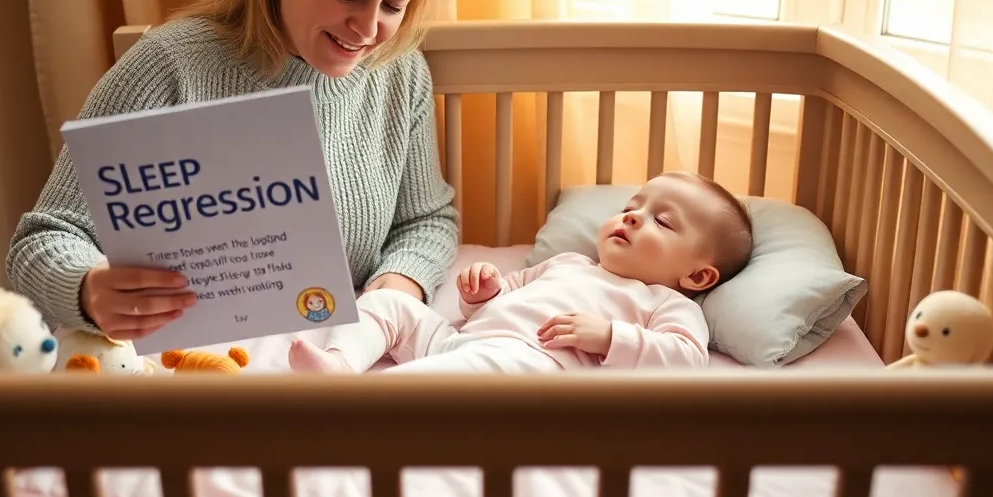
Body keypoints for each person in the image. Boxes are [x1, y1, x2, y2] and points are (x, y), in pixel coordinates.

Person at [6, 0, 459, 341]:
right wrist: (89, 289)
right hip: (198, 368)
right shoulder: (169, 66)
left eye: (394, 5)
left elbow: (426, 219)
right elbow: (42, 240)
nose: (369, 30)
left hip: (342, 354)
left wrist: (396, 289)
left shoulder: (399, 71)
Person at [287, 171, 755, 374]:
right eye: (631, 207)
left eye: (662, 220)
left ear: (698, 277)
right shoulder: (567, 264)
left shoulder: (666, 303)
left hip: (527, 364)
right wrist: (483, 293)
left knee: (458, 374)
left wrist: (609, 337)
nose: (632, 217)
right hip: (461, 342)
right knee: (391, 303)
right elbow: (497, 300)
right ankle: (341, 365)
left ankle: (348, 413)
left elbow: (686, 359)